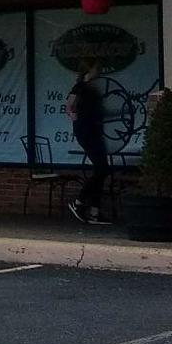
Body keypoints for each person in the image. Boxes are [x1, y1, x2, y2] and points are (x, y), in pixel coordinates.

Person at [66, 65, 111, 224]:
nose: (98, 72)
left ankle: (94, 212)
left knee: (102, 170)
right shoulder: (80, 87)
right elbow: (69, 106)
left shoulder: (94, 89)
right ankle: (79, 202)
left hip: (95, 131)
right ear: (88, 72)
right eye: (95, 69)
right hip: (87, 132)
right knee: (101, 168)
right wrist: (75, 117)